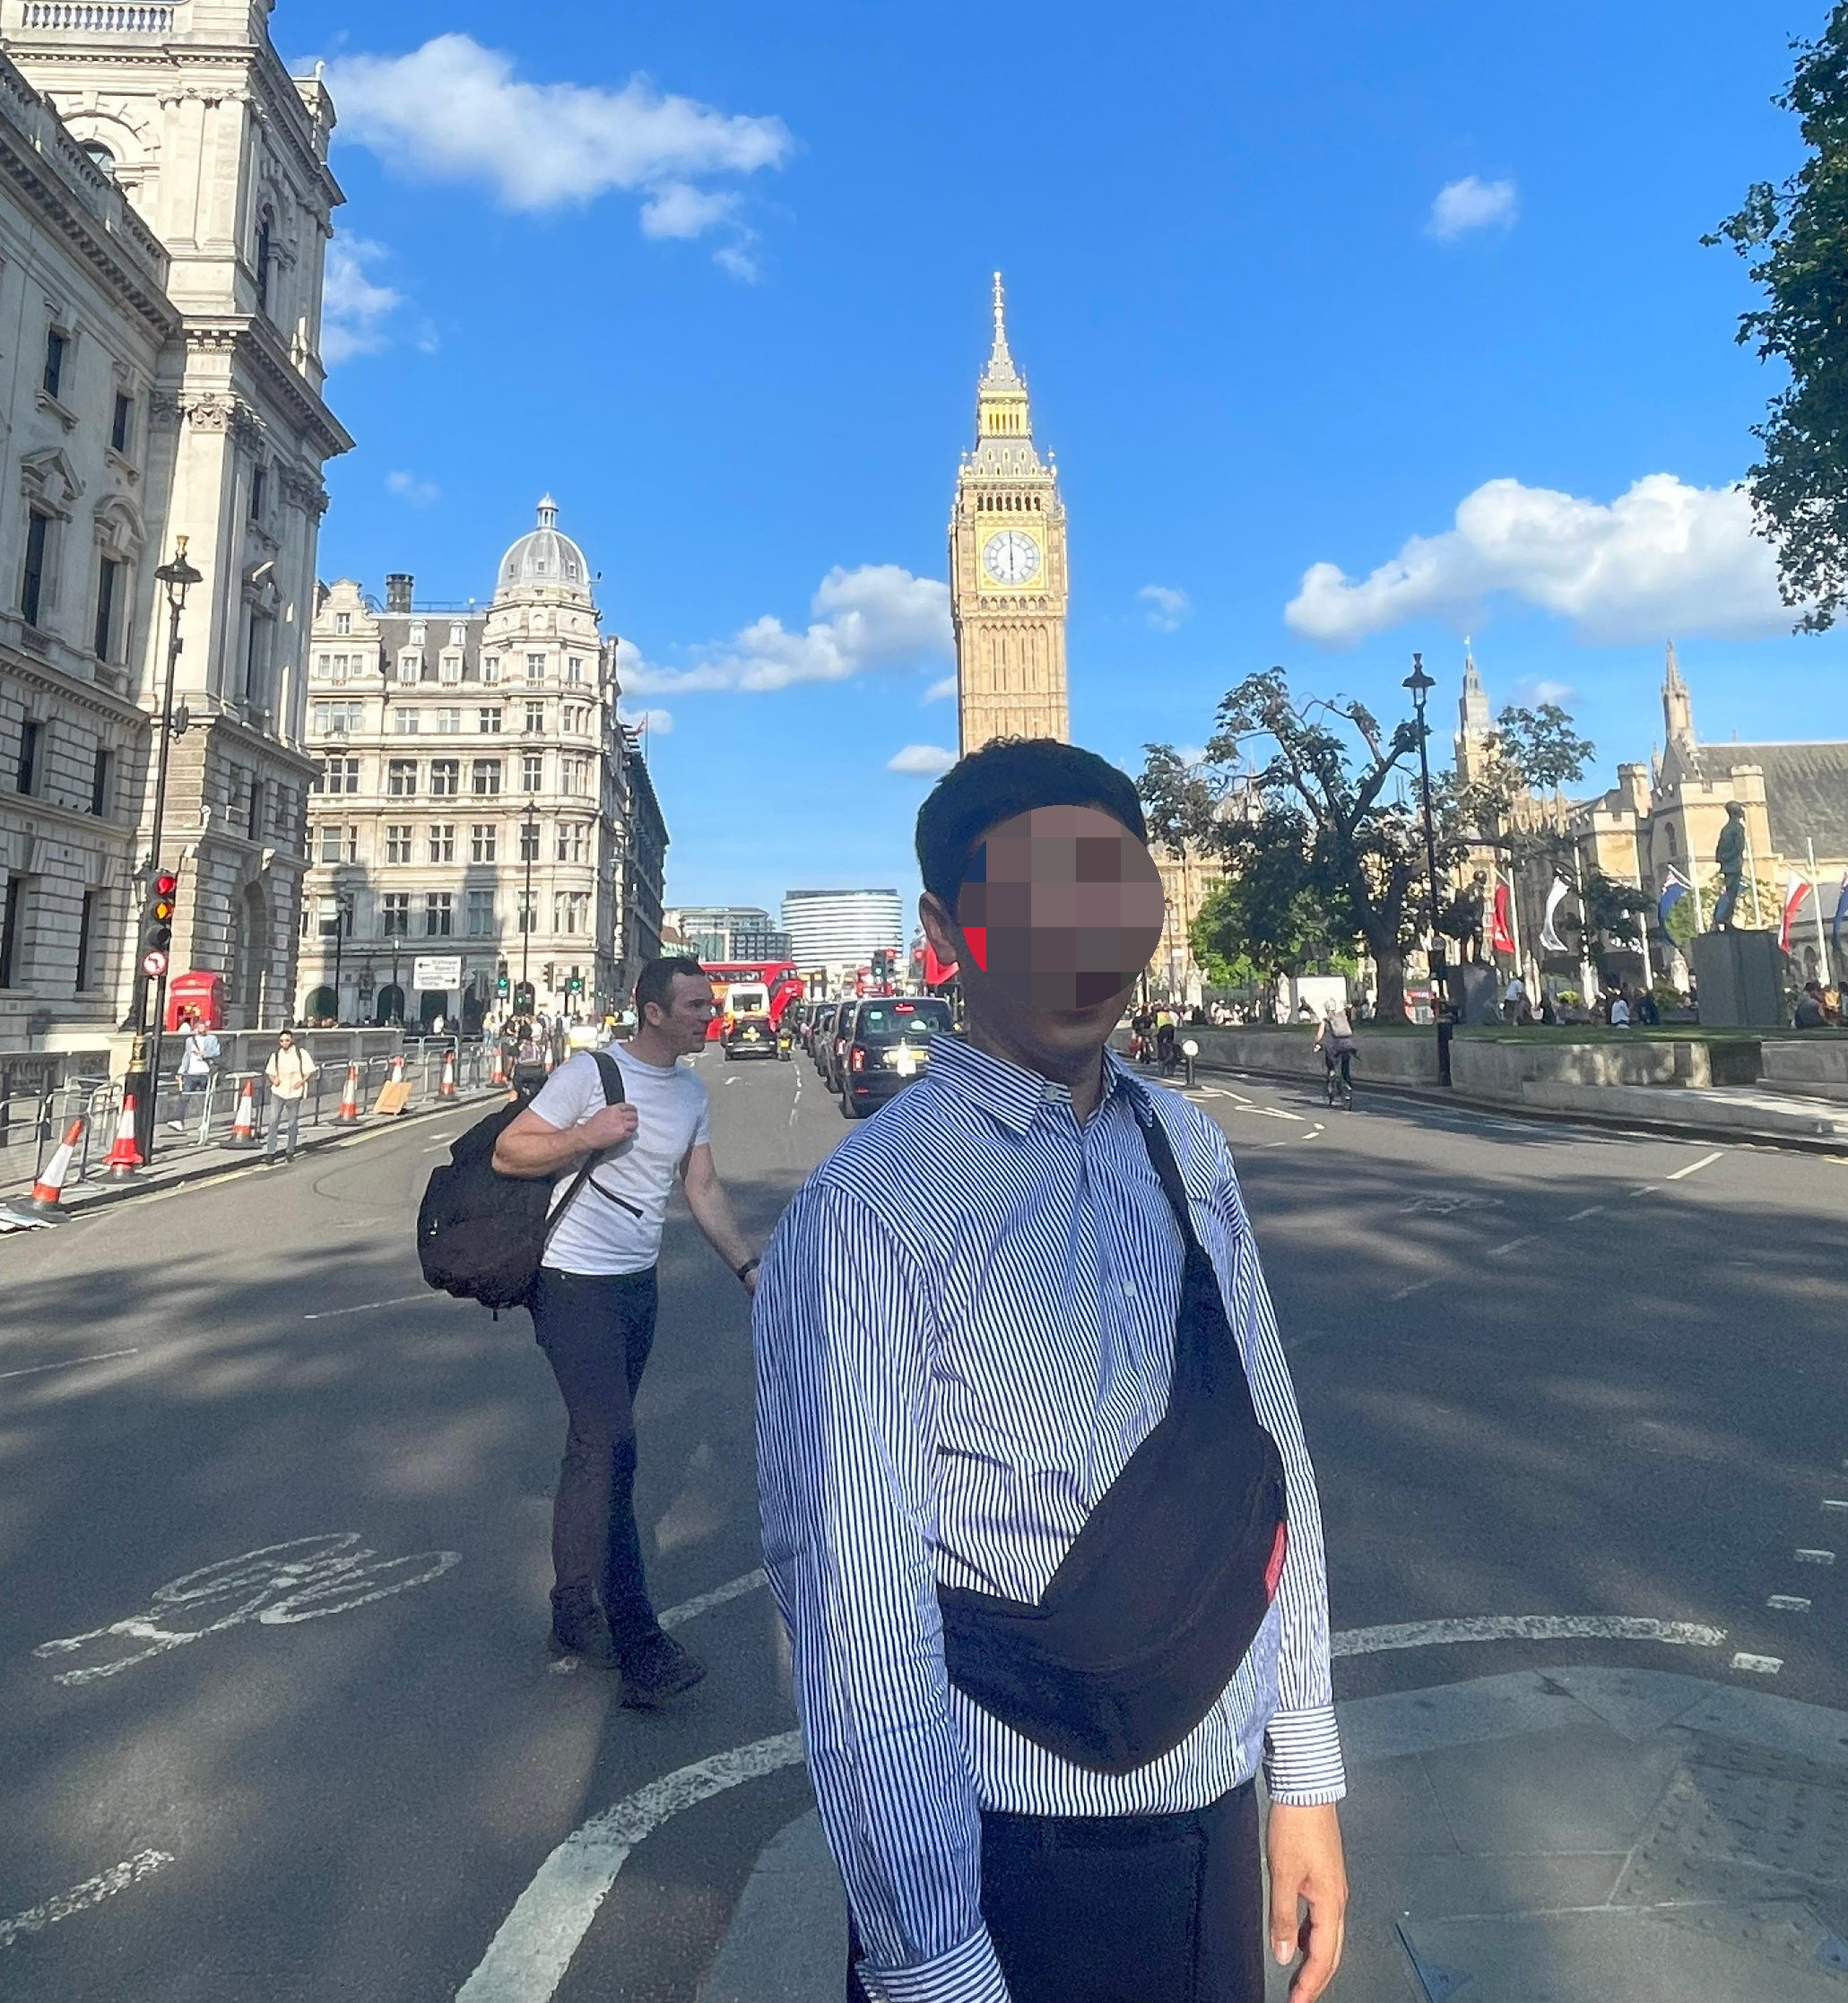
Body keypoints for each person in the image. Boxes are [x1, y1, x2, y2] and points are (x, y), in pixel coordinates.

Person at [756, 739, 1348, 2003]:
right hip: (1014, 1859)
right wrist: (933, 1964)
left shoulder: (1187, 1146)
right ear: (946, 933)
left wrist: (1301, 1774)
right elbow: (857, 1611)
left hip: (1216, 1818)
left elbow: (1268, 1462)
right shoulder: (865, 1211)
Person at [492, 954, 763, 1710]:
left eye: (708, 1004)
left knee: (593, 1449)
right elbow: (510, 1150)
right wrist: (587, 1135)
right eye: (695, 1005)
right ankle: (641, 1645)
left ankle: (571, 1611)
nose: (709, 1015)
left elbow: (700, 1187)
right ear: (653, 1012)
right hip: (571, 1282)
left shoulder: (691, 1091)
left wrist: (749, 1269)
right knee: (613, 1447)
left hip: (635, 1287)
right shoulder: (591, 1074)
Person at [173, 1010, 219, 1131]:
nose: (201, 1030)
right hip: (191, 1073)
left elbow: (217, 1052)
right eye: (199, 1028)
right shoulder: (189, 1041)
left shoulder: (212, 1039)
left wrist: (205, 1054)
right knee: (184, 1096)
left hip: (205, 1072)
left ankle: (205, 1122)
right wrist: (180, 1071)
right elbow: (186, 1056)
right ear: (195, 1028)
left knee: (205, 1098)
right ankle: (179, 1121)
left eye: (203, 1028)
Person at [1314, 998, 1357, 1106]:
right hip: (1348, 1044)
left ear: (1326, 1009)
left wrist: (1317, 1043)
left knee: (1331, 1064)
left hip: (1334, 1046)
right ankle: (1347, 1085)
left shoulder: (1326, 1020)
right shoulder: (1343, 1017)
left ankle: (1332, 1076)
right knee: (1345, 1067)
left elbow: (1319, 1036)